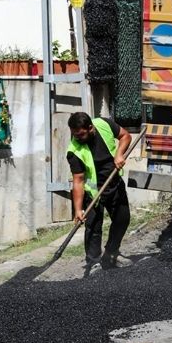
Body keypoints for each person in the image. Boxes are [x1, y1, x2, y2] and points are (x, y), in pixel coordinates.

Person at [66, 111, 134, 275]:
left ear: (90, 128)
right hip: (93, 191)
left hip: (114, 182)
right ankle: (93, 263)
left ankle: (110, 254)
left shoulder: (104, 124)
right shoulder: (74, 151)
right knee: (93, 227)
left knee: (122, 219)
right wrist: (77, 209)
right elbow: (78, 180)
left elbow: (125, 136)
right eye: (74, 134)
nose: (77, 138)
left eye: (81, 134)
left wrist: (119, 155)